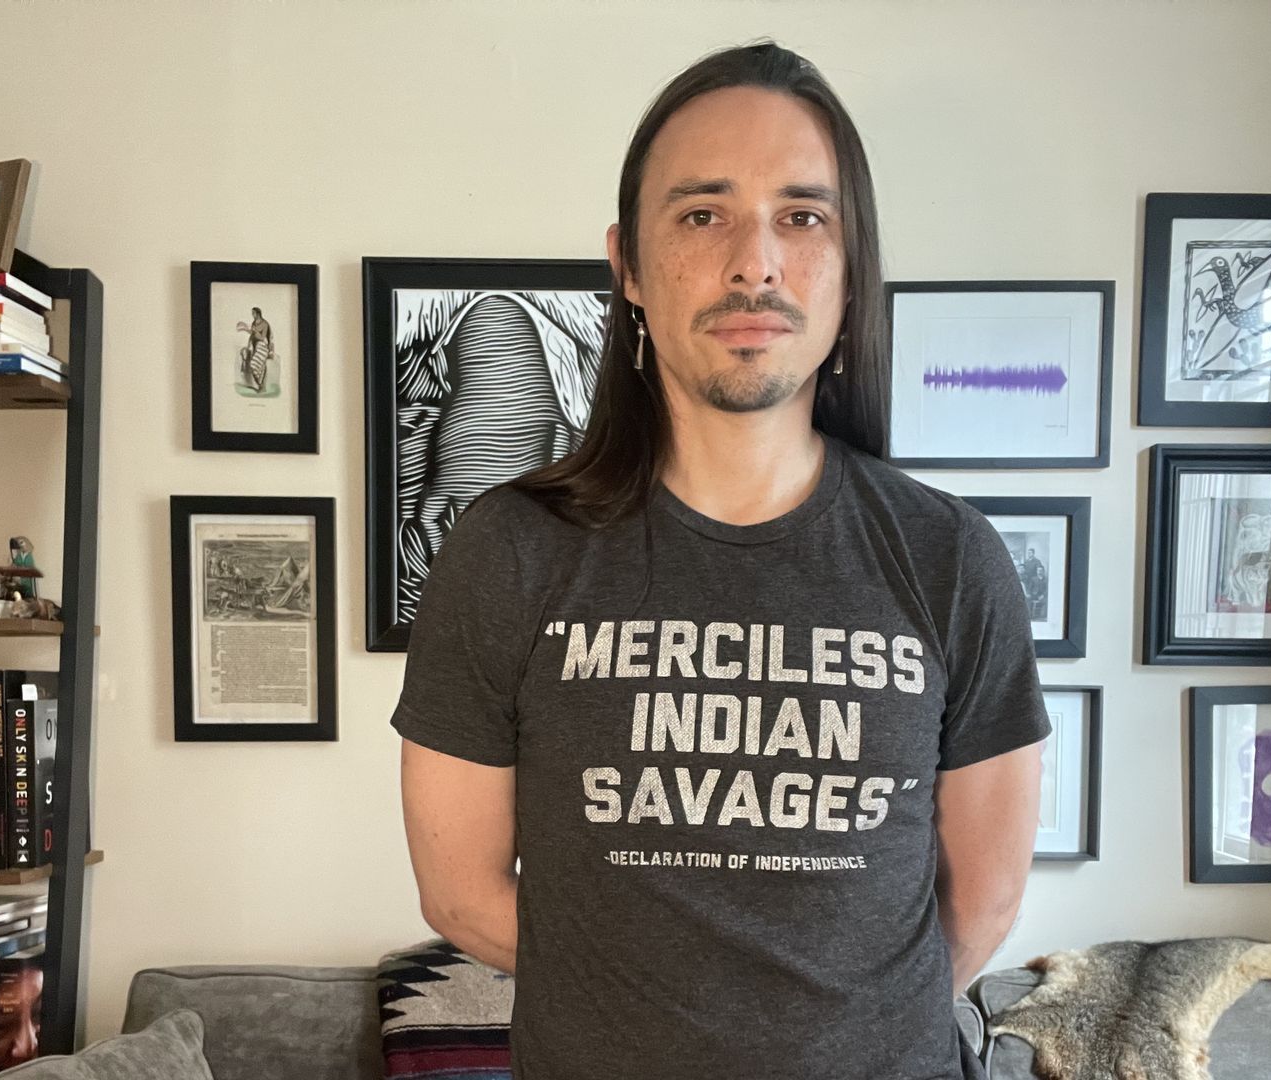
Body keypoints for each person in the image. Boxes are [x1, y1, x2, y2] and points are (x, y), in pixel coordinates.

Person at [393, 41, 1049, 1080]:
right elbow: (461, 893)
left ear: (849, 267)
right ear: (630, 265)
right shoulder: (507, 553)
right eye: (703, 214)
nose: (755, 261)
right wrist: (661, 1009)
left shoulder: (950, 559)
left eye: (803, 216)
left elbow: (983, 905)